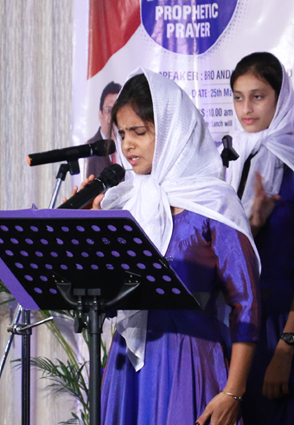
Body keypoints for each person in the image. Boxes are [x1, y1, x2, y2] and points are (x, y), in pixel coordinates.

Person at [86, 69, 260, 425]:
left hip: (190, 359)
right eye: (121, 134)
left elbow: (247, 306)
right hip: (128, 362)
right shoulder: (124, 202)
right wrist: (90, 223)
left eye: (139, 132)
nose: (127, 144)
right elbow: (100, 290)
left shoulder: (214, 203)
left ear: (171, 130)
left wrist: (233, 392)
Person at [223, 52, 294, 425]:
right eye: (238, 97)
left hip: (288, 326)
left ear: (280, 97)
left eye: (258, 96)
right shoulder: (232, 160)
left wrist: (285, 350)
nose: (246, 108)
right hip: (241, 324)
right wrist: (253, 224)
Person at [83, 81, 122, 178]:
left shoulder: (128, 145)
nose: (113, 116)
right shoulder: (90, 147)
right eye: (108, 110)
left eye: (117, 110)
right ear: (100, 114)